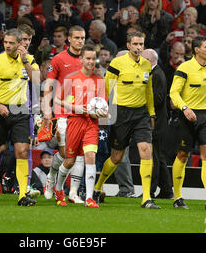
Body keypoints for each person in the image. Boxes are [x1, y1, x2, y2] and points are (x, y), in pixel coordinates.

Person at [93, 31, 160, 209]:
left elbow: (149, 92)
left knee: (146, 150)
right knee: (116, 157)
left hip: (141, 114)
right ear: (128, 45)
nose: (139, 47)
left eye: (141, 44)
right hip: (120, 114)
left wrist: (151, 113)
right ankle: (98, 187)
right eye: (135, 44)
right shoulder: (117, 63)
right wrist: (106, 111)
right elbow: (107, 88)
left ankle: (146, 197)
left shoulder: (147, 65)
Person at [0, 28, 40, 206]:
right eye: (5, 42)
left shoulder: (29, 60)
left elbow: (37, 80)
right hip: (0, 110)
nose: (7, 45)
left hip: (21, 111)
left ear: (20, 44)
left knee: (22, 151)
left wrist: (25, 62)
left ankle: (22, 194)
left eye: (11, 43)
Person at [169, 35, 206, 210]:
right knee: (182, 155)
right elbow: (174, 93)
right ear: (197, 50)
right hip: (186, 117)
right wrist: (185, 108)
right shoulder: (185, 68)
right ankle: (177, 196)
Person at [53, 44, 108, 208]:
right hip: (74, 122)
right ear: (82, 59)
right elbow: (57, 100)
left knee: (90, 156)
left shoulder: (99, 81)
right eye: (88, 58)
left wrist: (102, 112)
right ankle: (58, 189)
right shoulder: (71, 79)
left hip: (91, 124)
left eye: (93, 59)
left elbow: (101, 104)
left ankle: (89, 198)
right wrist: (74, 107)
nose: (91, 62)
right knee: (69, 161)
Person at [42, 25, 86, 204]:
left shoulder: (87, 59)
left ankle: (73, 192)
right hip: (62, 112)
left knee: (79, 153)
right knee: (64, 152)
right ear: (69, 39)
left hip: (82, 113)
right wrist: (46, 109)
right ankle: (51, 178)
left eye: (82, 38)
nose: (80, 41)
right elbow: (49, 85)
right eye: (76, 38)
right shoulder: (59, 59)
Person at [141, 48, 173, 199]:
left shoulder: (157, 75)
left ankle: (150, 190)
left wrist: (141, 99)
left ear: (149, 60)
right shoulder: (156, 73)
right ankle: (167, 190)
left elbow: (158, 98)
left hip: (157, 122)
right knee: (159, 157)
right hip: (158, 121)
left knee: (153, 157)